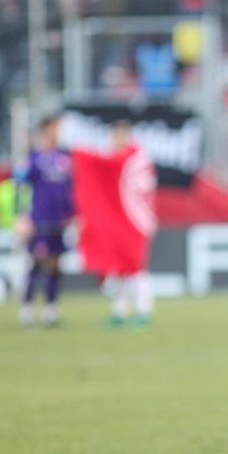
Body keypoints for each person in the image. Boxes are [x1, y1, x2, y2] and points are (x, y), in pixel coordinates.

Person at [73, 120, 156, 328]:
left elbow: (109, 167)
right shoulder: (133, 158)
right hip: (127, 221)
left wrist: (80, 155)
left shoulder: (133, 158)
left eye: (117, 137)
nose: (114, 142)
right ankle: (119, 311)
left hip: (135, 222)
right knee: (119, 268)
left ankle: (143, 311)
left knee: (135, 267)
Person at [15, 116, 74, 328]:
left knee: (56, 266)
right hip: (38, 221)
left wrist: (73, 215)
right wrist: (22, 216)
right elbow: (20, 187)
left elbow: (70, 190)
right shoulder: (34, 157)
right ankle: (27, 310)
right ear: (45, 130)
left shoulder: (64, 157)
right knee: (37, 263)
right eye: (55, 128)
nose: (58, 132)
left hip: (59, 221)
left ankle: (51, 311)